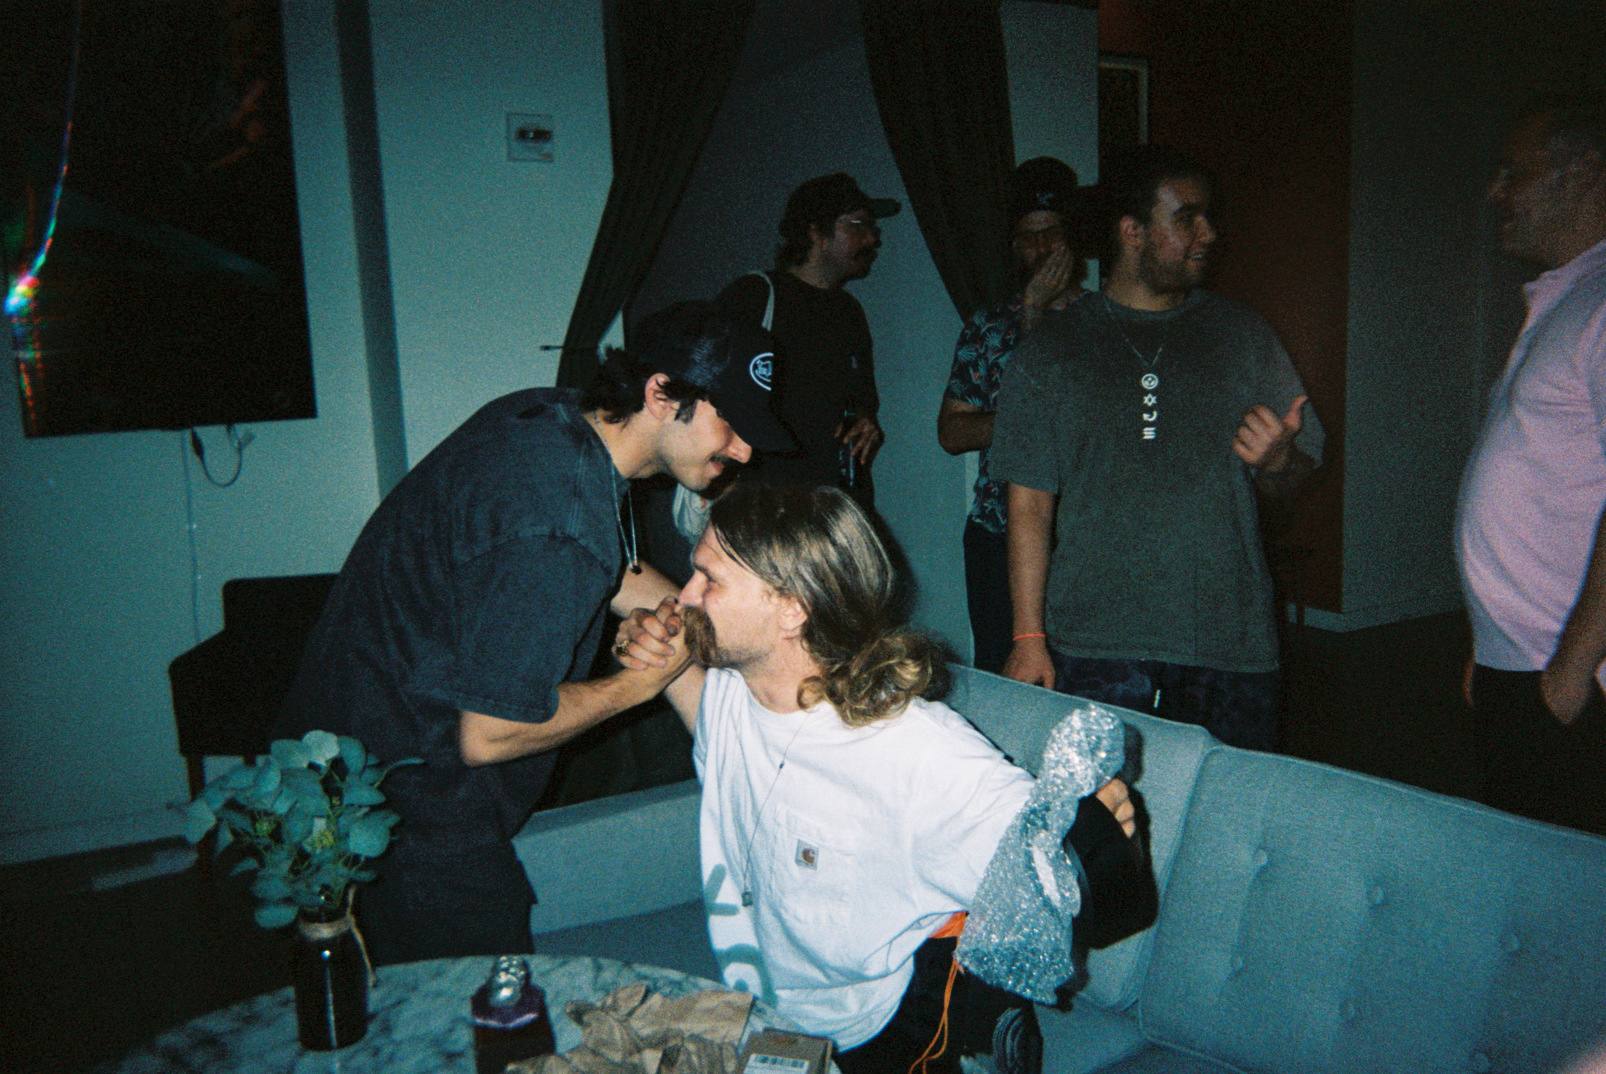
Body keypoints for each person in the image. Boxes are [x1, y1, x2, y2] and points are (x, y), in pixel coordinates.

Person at [276, 302, 794, 963]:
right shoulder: (559, 522)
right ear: (661, 394)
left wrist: (707, 620)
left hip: (333, 759)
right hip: (402, 807)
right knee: (479, 1004)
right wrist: (638, 685)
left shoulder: (547, 421)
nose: (743, 450)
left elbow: (609, 565)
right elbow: (490, 734)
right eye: (732, 424)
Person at [618, 482, 1151, 1073]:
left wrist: (1101, 833)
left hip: (885, 1027)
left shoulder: (910, 750)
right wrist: (648, 642)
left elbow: (1093, 893)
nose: (685, 595)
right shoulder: (732, 694)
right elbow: (632, 590)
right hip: (775, 1012)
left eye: (708, 579)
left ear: (792, 608)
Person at [991, 144, 1323, 751]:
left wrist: (1279, 463)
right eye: (1187, 218)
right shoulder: (1054, 349)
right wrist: (1028, 638)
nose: (1208, 234)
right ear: (1133, 231)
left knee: (1226, 806)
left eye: (1208, 217)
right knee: (1102, 808)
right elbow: (1029, 504)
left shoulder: (1243, 335)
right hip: (1095, 643)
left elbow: (1298, 476)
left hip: (1228, 642)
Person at [1456, 94, 1606, 835]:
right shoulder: (1566, 297)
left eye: (1514, 172)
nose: (1496, 192)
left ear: (1583, 174)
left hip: (1570, 677)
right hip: (1519, 661)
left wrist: (1570, 675)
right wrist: (1486, 643)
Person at [939, 157, 1088, 673]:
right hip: (998, 532)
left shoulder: (1105, 321)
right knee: (1006, 676)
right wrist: (1032, 315)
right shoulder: (987, 326)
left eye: (1052, 234)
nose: (1042, 249)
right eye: (1029, 237)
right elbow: (952, 432)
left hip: (1081, 537)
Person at [716, 172, 898, 507]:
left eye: (873, 227)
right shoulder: (755, 295)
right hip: (768, 501)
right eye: (858, 225)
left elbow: (862, 397)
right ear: (816, 232)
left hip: (836, 499)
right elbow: (710, 391)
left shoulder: (849, 311)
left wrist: (865, 419)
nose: (872, 238)